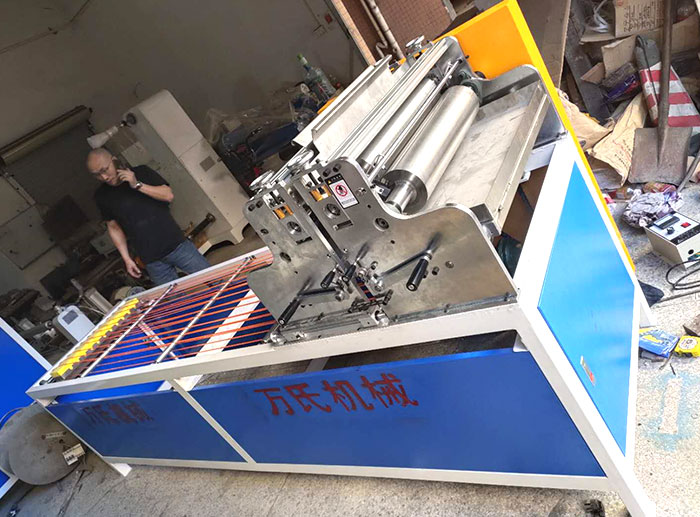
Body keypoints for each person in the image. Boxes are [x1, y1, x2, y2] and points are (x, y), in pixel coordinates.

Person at [87, 148, 210, 285]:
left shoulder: (142, 172)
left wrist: (137, 184)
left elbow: (168, 195)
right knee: (174, 298)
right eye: (97, 175)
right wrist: (127, 259)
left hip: (177, 246)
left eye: (105, 170)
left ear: (114, 161)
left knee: (215, 280)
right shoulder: (102, 196)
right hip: (152, 261)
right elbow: (114, 227)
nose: (104, 177)